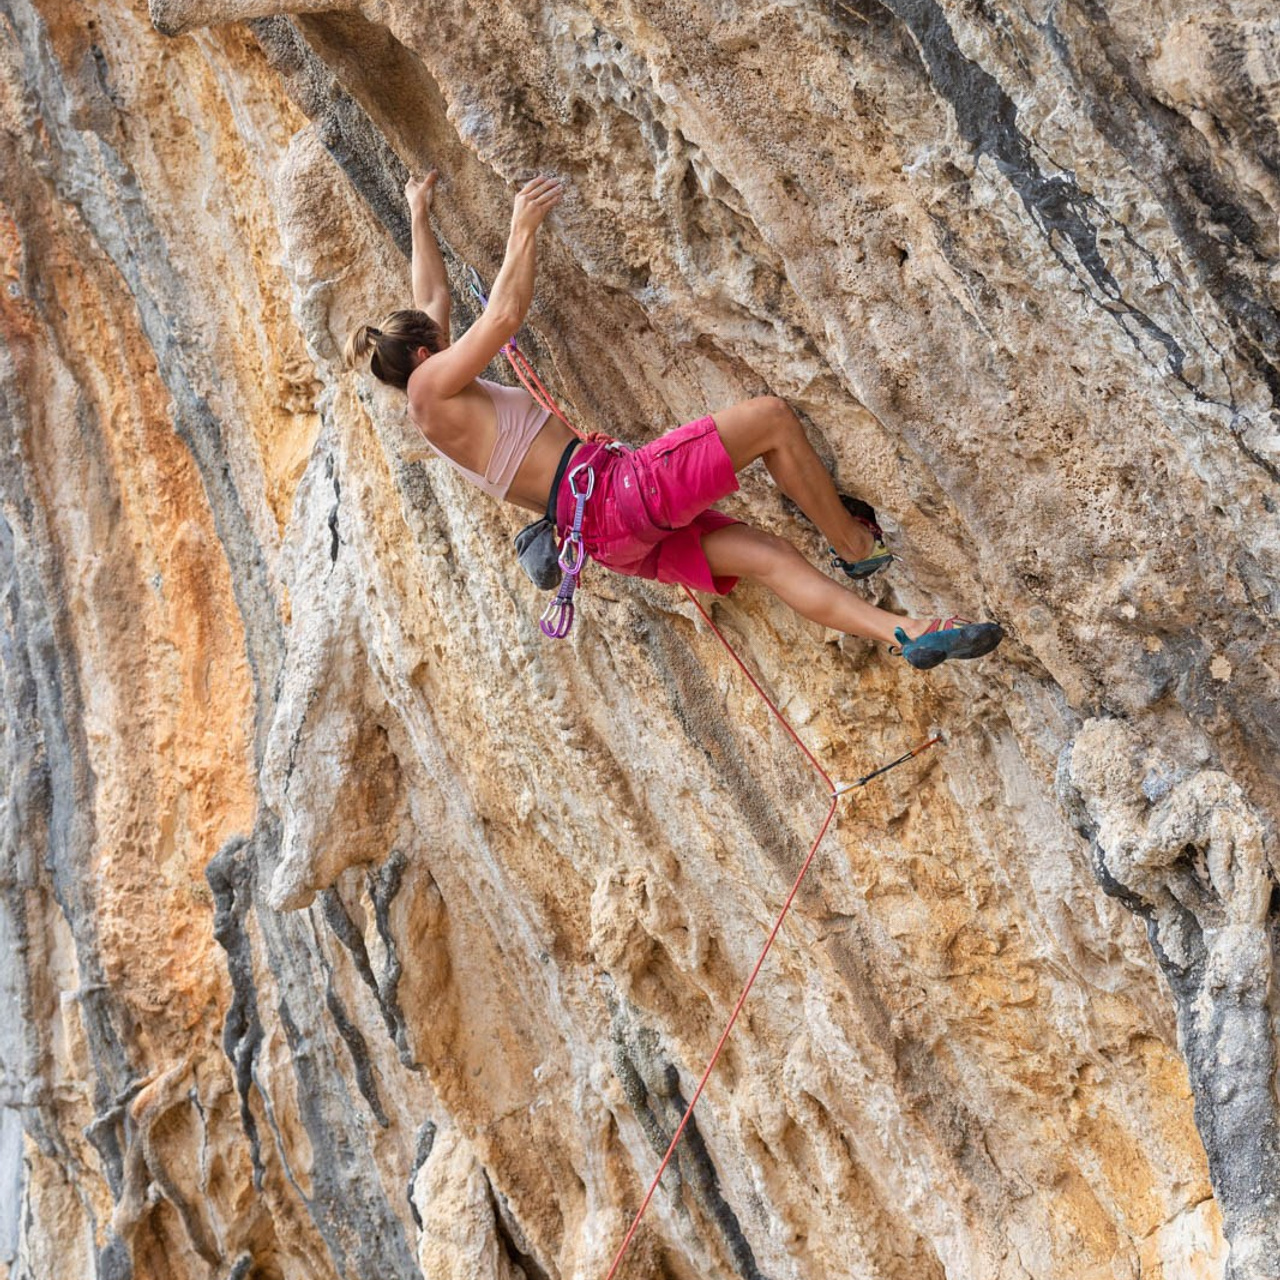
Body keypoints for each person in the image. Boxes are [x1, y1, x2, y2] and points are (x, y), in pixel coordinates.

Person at [345, 171, 1003, 669]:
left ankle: (907, 633)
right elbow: (502, 318)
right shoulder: (430, 387)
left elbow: (432, 295)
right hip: (616, 494)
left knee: (770, 557)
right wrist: (523, 229)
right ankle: (857, 548)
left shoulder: (432, 398)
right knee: (771, 419)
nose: (448, 340)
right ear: (425, 357)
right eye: (439, 341)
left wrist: (418, 210)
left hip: (607, 541)